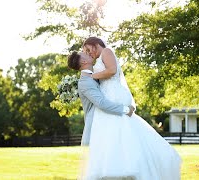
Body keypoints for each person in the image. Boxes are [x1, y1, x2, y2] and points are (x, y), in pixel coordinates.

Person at [69, 37, 182, 180]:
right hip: (109, 107)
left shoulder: (106, 53)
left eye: (87, 49)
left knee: (126, 137)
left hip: (113, 102)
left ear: (94, 44)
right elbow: (101, 101)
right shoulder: (88, 76)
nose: (87, 52)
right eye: (85, 52)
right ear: (84, 62)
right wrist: (89, 78)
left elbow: (112, 70)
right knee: (117, 141)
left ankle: (128, 170)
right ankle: (121, 171)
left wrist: (93, 76)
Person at [67, 51, 135, 146]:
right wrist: (126, 110)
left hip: (108, 123)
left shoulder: (95, 74)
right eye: (85, 54)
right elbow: (101, 103)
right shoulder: (85, 82)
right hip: (97, 129)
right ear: (83, 62)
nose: (89, 53)